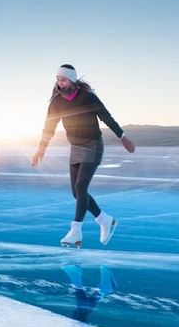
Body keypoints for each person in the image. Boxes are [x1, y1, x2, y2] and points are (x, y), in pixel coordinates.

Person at [31, 64, 135, 247]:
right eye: (58, 80)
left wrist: (123, 137)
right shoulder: (57, 101)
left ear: (72, 79)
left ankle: (75, 231)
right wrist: (41, 148)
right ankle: (104, 219)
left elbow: (106, 117)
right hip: (76, 147)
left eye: (63, 80)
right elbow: (49, 127)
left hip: (93, 145)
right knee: (76, 192)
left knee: (80, 186)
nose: (60, 83)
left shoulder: (87, 97)